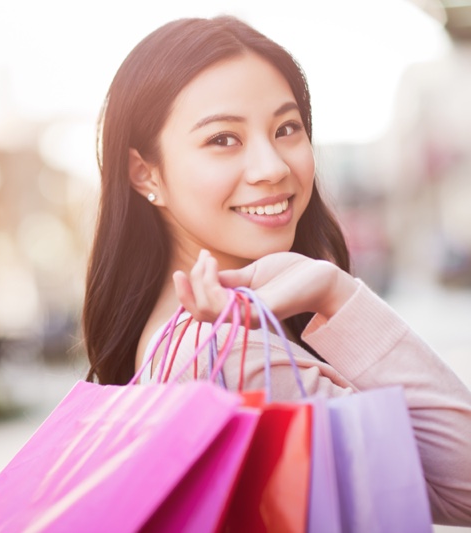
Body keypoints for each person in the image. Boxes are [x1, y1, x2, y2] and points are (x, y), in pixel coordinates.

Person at [81, 15, 471, 525]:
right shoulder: (231, 357)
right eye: (223, 139)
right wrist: (340, 298)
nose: (272, 166)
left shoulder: (170, 341)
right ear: (144, 171)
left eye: (286, 128)